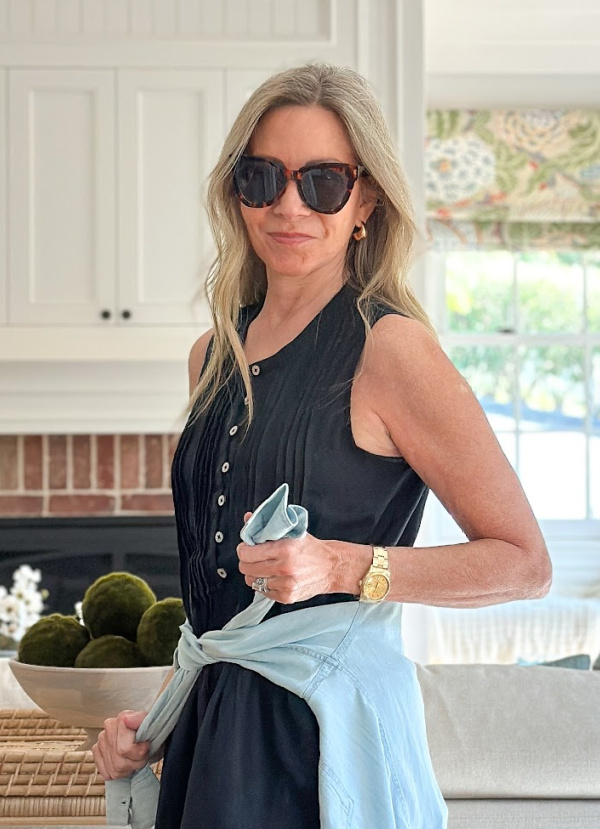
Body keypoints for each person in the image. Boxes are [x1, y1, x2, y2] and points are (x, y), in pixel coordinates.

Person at [91, 63, 552, 828]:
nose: (289, 205)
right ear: (236, 192)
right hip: (208, 734)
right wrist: (157, 720)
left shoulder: (391, 350)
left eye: (324, 183)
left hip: (314, 746)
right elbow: (219, 611)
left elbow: (524, 561)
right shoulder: (213, 355)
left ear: (365, 198)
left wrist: (340, 564)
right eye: (262, 177)